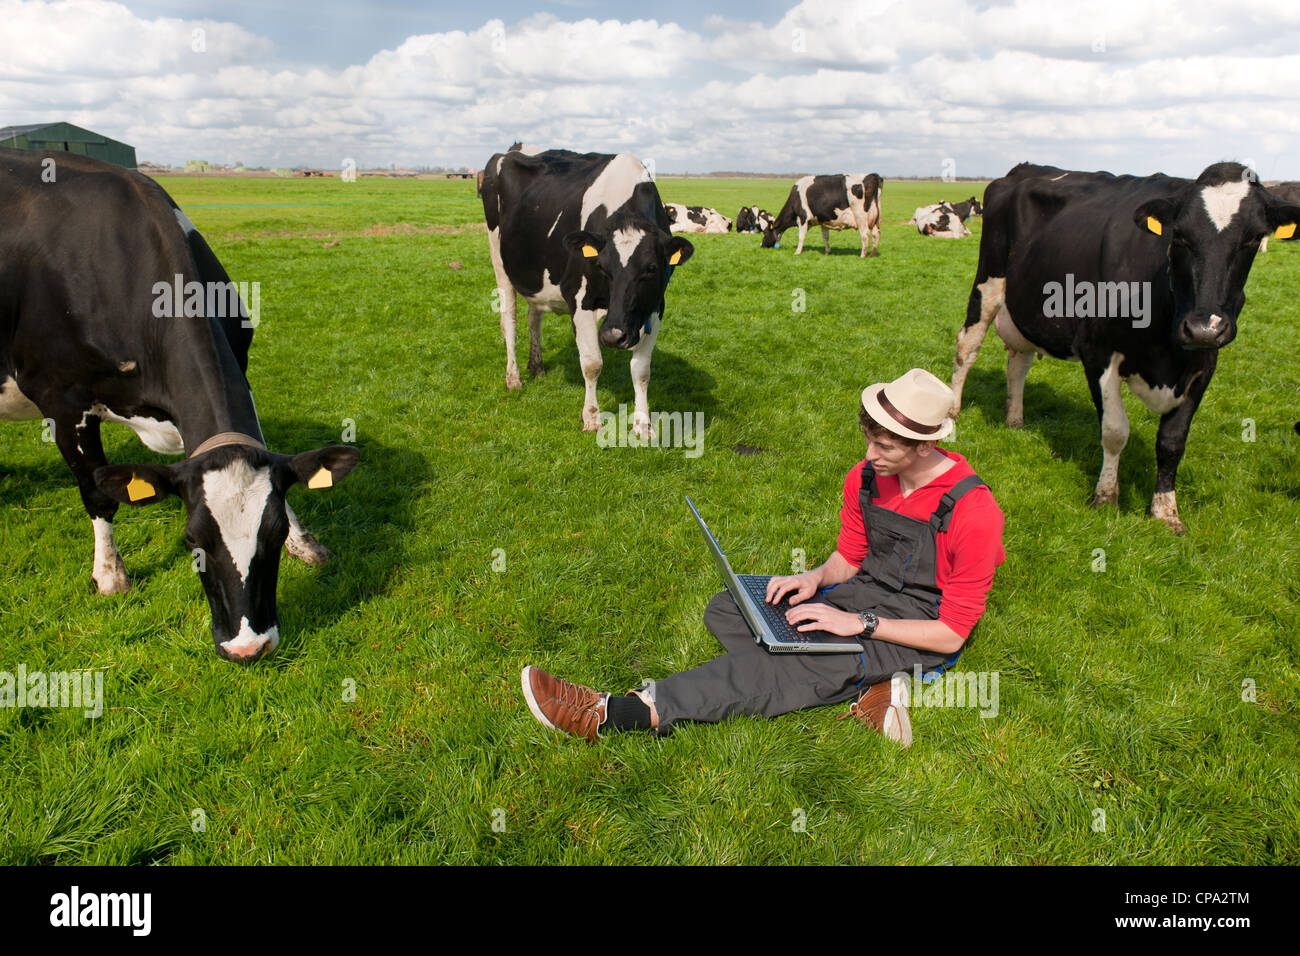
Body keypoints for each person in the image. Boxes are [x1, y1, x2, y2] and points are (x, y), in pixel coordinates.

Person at [520, 368, 1006, 746]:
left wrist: (859, 624)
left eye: (885, 446)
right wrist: (814, 579)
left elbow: (951, 634)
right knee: (731, 607)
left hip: (915, 629)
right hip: (857, 598)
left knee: (797, 660)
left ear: (925, 445)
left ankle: (621, 712)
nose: (870, 454)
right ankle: (864, 687)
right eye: (868, 440)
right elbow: (848, 559)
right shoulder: (864, 477)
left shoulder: (973, 511)